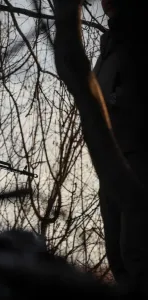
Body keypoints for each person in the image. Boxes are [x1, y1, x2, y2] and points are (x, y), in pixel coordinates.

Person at [93, 0, 148, 294]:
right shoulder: (109, 45)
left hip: (139, 157)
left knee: (136, 247)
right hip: (110, 159)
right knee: (117, 251)